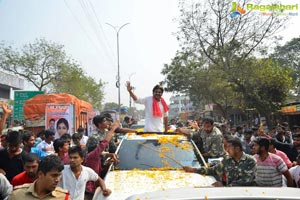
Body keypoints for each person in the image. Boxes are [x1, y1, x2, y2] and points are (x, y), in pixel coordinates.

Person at [183, 137, 256, 186]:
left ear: (237, 149)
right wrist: (194, 170)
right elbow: (214, 170)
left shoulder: (250, 161)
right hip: (230, 194)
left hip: (246, 194)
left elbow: (246, 180)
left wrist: (225, 186)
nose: (226, 150)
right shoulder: (227, 160)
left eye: (229, 147)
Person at [85, 120, 119, 194]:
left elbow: (100, 173)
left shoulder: (96, 158)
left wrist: (107, 165)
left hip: (95, 187)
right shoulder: (93, 156)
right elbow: (105, 143)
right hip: (90, 189)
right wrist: (113, 129)